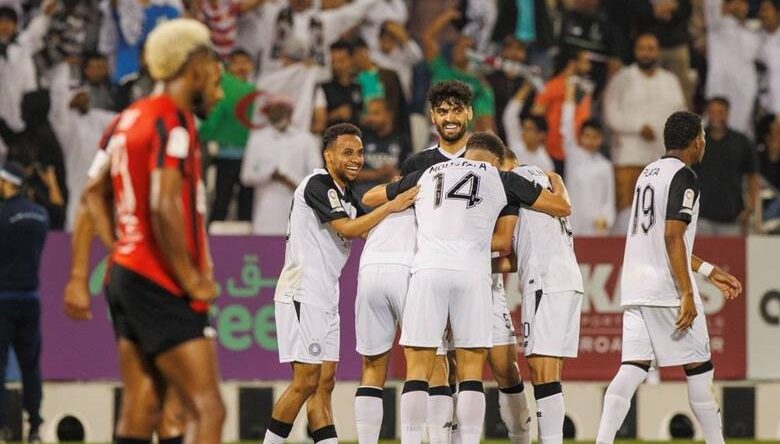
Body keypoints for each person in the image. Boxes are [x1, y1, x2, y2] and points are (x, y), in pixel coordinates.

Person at [71, 19, 226, 444]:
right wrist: (190, 277)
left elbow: (90, 193)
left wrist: (120, 248)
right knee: (206, 407)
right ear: (193, 66)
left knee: (143, 406)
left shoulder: (125, 119)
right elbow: (163, 204)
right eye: (210, 64)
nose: (215, 75)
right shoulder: (173, 122)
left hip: (126, 273)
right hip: (160, 279)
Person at [362, 132, 571, 444]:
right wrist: (557, 181)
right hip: (473, 273)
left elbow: (370, 196)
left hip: (427, 271)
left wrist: (399, 198)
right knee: (471, 371)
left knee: (419, 368)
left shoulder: (430, 173)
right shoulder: (502, 178)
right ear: (497, 160)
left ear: (465, 154)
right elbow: (561, 207)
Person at [262, 123, 418, 444]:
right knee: (305, 382)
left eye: (360, 152)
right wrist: (392, 203)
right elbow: (348, 229)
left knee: (324, 383)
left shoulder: (345, 193)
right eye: (347, 152)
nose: (356, 159)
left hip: (325, 295)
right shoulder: (318, 184)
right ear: (328, 154)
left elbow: (366, 229)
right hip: (302, 291)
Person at [595, 111, 743, 444]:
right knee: (700, 369)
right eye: (702, 136)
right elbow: (672, 238)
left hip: (635, 285)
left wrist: (708, 270)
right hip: (665, 288)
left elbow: (663, 239)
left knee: (632, 367)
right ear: (696, 141)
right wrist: (688, 293)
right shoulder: (684, 176)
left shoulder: (648, 173)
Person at [353, 81, 473, 444]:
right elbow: (376, 195)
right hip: (422, 268)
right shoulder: (420, 164)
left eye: (456, 110)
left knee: (451, 365)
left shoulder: (483, 158)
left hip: (454, 268)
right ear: (432, 117)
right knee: (435, 362)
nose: (449, 118)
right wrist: (398, 193)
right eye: (442, 111)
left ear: (469, 113)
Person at [507, 148, 584, 444]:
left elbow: (564, 208)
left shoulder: (513, 178)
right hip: (565, 277)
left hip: (545, 280)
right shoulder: (545, 181)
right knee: (550, 369)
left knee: (542, 369)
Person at [604, 33, 686, 234]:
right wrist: (639, 127)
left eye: (651, 48)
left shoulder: (670, 81)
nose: (646, 53)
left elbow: (681, 113)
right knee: (626, 214)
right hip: (628, 158)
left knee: (657, 214)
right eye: (642, 48)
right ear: (635, 51)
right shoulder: (622, 78)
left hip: (660, 159)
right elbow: (610, 114)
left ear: (657, 52)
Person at [0, 162, 47, 444]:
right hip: (30, 299)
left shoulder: (3, 217)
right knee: (31, 367)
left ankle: (2, 427)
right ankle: (35, 427)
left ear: (7, 183)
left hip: (3, 300)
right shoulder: (40, 215)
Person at [240, 96, 322, 235]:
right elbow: (246, 176)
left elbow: (317, 176)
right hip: (265, 210)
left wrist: (293, 182)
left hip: (298, 207)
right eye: (271, 110)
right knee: (265, 250)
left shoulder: (306, 139)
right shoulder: (258, 138)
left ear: (289, 112)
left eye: (279, 109)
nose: (275, 113)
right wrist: (270, 175)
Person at [199, 48, 257, 224]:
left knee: (243, 204)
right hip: (226, 155)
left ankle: (245, 246)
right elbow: (212, 118)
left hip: (251, 158)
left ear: (251, 66)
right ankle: (213, 244)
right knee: (223, 202)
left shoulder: (256, 90)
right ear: (229, 66)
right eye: (237, 63)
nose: (241, 67)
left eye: (245, 62)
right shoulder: (224, 86)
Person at [422, 8, 496, 132]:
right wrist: (445, 17)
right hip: (438, 130)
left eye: (465, 47)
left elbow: (486, 120)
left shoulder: (477, 82)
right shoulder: (441, 69)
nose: (460, 49)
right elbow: (427, 38)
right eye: (458, 45)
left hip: (465, 134)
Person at [693, 97, 759, 235]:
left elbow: (752, 176)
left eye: (720, 112)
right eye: (712, 112)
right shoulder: (697, 141)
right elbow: (686, 172)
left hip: (732, 217)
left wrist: (750, 208)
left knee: (730, 257)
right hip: (701, 216)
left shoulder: (741, 141)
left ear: (727, 113)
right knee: (700, 256)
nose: (716, 116)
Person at [562, 81, 614, 236]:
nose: (591, 140)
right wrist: (569, 93)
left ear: (601, 139)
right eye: (587, 136)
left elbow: (608, 198)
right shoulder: (573, 155)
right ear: (581, 137)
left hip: (596, 228)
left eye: (595, 137)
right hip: (572, 225)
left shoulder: (605, 165)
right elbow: (566, 126)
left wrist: (606, 219)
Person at [704, 0, 760, 137]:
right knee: (713, 132)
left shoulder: (753, 31)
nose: (741, 6)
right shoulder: (717, 26)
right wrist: (727, 8)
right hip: (721, 88)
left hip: (745, 92)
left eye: (744, 3)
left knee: (742, 133)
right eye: (737, 2)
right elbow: (712, 6)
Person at [532, 49, 592, 175]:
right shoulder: (553, 85)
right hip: (553, 152)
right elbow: (536, 113)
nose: (589, 67)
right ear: (572, 63)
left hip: (578, 152)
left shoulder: (584, 88)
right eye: (585, 62)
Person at [636, 0, 695, 106]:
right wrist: (653, 11)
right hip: (649, 44)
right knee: (650, 88)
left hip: (677, 44)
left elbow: (687, 8)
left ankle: (685, 121)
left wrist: (674, 7)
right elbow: (633, 9)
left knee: (682, 89)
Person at [503, 83, 553, 172]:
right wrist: (527, 87)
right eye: (524, 128)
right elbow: (510, 116)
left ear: (541, 135)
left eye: (529, 129)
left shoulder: (545, 162)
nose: (523, 132)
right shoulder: (517, 143)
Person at [317, 40, 363, 129]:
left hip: (359, 138)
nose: (337, 66)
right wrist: (335, 115)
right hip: (332, 138)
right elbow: (315, 123)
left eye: (341, 61)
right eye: (333, 61)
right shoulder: (323, 88)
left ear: (351, 60)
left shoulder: (360, 85)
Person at [758, 0, 780, 115]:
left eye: (766, 10)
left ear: (778, 13)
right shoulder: (755, 39)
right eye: (761, 10)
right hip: (766, 108)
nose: (762, 14)